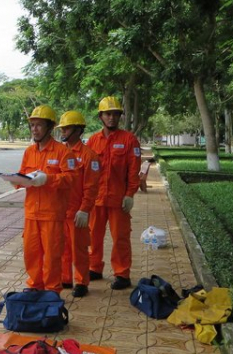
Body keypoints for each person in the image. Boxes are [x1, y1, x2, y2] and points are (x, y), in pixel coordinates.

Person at [13, 105, 77, 293]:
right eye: (32, 125)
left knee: (51, 256)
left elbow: (71, 178)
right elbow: (24, 174)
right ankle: (35, 285)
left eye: (39, 125)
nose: (34, 129)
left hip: (52, 215)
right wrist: (16, 180)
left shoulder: (64, 152)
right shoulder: (29, 152)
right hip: (32, 214)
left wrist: (48, 179)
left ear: (49, 127)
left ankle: (51, 291)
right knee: (31, 254)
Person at [86, 96, 141, 290]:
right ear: (100, 116)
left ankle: (122, 273)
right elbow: (87, 171)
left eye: (115, 114)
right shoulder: (93, 141)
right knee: (93, 236)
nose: (111, 118)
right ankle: (94, 268)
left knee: (121, 238)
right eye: (108, 114)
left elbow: (134, 171)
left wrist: (130, 195)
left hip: (119, 200)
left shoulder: (129, 140)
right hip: (96, 199)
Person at [56, 111, 100, 297]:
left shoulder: (89, 156)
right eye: (62, 128)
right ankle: (66, 278)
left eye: (66, 128)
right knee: (62, 247)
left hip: (77, 211)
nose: (63, 131)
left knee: (79, 248)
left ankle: (81, 281)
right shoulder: (60, 152)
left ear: (78, 130)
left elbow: (91, 187)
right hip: (60, 211)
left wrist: (84, 210)